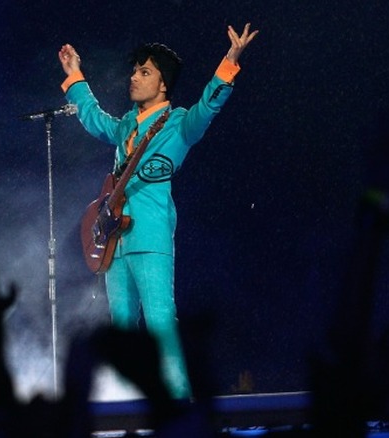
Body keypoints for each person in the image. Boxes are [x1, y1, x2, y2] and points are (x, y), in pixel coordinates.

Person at [58, 24, 258, 399]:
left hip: (150, 238)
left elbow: (208, 106)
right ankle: (127, 407)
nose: (134, 77)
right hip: (115, 243)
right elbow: (95, 118)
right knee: (121, 331)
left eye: (144, 72)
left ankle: (179, 408)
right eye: (134, 70)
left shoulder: (179, 125)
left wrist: (229, 62)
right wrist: (75, 77)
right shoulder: (125, 127)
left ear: (163, 83)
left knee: (161, 326)